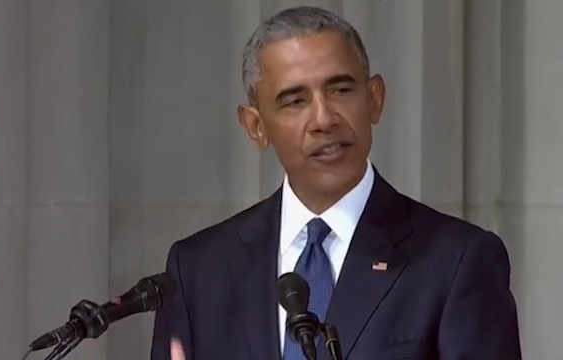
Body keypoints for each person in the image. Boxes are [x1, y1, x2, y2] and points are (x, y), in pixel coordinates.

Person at [150, 6, 522, 360]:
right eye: (295, 100)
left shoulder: (458, 260)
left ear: (374, 99)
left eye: (341, 90)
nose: (324, 119)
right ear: (256, 126)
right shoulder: (199, 269)